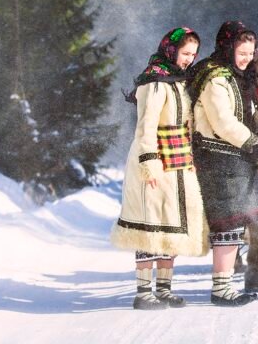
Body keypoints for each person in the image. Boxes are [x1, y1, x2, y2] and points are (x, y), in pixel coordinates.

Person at [110, 27, 209, 310]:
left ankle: (164, 289)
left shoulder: (178, 80)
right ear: (171, 49)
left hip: (178, 161)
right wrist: (149, 164)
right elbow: (146, 126)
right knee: (150, 224)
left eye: (193, 54)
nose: (189, 59)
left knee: (172, 226)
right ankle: (143, 292)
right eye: (185, 53)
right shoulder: (154, 81)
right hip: (155, 162)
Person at [188, 21, 258, 307]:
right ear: (227, 47)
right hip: (219, 159)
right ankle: (220, 289)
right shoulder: (215, 78)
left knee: (234, 226)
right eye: (242, 52)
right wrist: (256, 145)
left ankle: (224, 286)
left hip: (236, 159)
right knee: (227, 225)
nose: (247, 58)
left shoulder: (239, 76)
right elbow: (223, 122)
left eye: (251, 53)